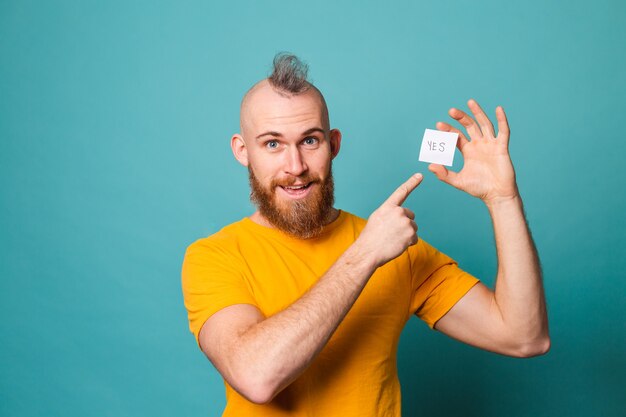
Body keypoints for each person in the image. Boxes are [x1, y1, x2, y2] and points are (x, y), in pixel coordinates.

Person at [181, 53, 550, 416]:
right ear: (243, 151)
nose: (295, 167)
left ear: (333, 144)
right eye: (272, 144)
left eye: (310, 141)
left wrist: (503, 200)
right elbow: (255, 376)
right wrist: (365, 255)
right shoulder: (214, 257)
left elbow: (524, 336)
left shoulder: (394, 246)